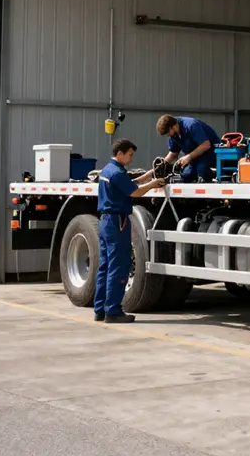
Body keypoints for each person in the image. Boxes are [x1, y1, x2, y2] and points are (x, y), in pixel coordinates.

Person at [93, 139, 166, 324]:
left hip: (106, 221)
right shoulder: (117, 173)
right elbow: (135, 192)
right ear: (120, 153)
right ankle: (113, 311)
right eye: (130, 154)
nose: (132, 158)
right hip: (118, 221)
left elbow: (130, 183)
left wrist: (150, 175)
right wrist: (153, 185)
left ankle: (100, 309)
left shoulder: (108, 170)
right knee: (119, 267)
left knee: (105, 266)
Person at [156, 114, 219, 183]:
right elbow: (173, 153)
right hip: (195, 157)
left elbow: (206, 145)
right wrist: (164, 164)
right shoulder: (173, 135)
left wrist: (189, 157)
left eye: (167, 133)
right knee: (186, 176)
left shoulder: (191, 125)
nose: (168, 136)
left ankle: (213, 176)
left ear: (173, 127)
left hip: (211, 151)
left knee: (201, 170)